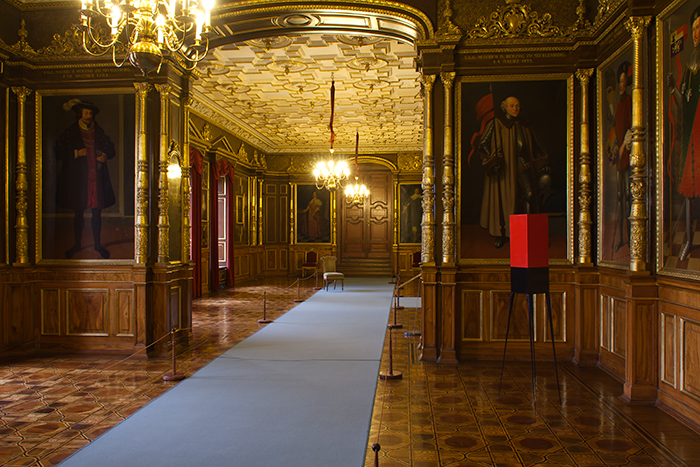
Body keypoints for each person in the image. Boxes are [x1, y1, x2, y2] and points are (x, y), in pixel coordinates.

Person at [477, 96, 551, 248]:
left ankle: (528, 234)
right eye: (512, 106)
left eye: (517, 106)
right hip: (505, 170)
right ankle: (503, 234)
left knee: (529, 195)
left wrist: (542, 163)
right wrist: (493, 161)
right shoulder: (497, 123)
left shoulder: (524, 126)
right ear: (505, 107)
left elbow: (536, 148)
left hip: (524, 168)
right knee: (507, 202)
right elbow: (483, 144)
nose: (515, 109)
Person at [55, 99, 116, 259]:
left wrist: (104, 155)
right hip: (78, 180)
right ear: (80, 114)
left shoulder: (98, 130)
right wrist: (76, 153)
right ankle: (77, 245)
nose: (88, 116)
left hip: (96, 177)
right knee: (79, 212)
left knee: (97, 212)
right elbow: (57, 151)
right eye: (86, 113)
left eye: (90, 113)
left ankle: (97, 245)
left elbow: (111, 149)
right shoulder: (71, 131)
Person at [669, 6, 700, 261]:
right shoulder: (690, 64)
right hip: (692, 134)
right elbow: (683, 105)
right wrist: (673, 89)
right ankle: (689, 239)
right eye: (696, 28)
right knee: (690, 184)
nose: (697, 32)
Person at [609, 61, 633, 253]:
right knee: (621, 196)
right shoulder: (618, 103)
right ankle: (622, 238)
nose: (622, 84)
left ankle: (632, 238)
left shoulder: (630, 101)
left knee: (629, 197)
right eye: (620, 81)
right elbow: (616, 127)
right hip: (620, 155)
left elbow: (631, 128)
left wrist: (624, 146)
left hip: (629, 155)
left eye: (624, 81)